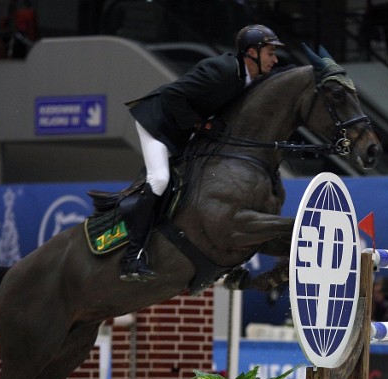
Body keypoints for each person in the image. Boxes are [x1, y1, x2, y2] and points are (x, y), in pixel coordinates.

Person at [119, 24, 285, 281]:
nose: (275, 59)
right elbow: (174, 95)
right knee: (160, 179)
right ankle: (132, 257)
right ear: (252, 52)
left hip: (183, 130)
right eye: (270, 52)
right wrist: (200, 124)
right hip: (158, 123)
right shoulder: (222, 70)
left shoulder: (248, 79)